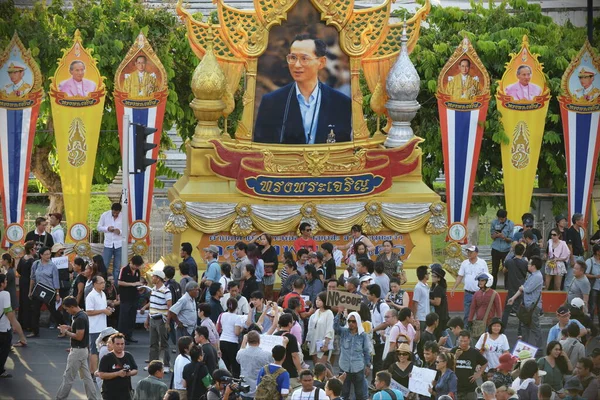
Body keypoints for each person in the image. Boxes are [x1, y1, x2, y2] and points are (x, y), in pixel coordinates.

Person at [254, 34, 352, 144]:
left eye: (304, 58)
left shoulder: (341, 103)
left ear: (321, 62)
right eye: (293, 58)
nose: (297, 65)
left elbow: (343, 150)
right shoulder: (271, 102)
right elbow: (261, 149)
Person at [55, 296, 99, 399]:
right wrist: (69, 328)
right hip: (83, 350)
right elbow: (79, 330)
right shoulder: (82, 315)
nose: (67, 311)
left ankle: (60, 398)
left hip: (77, 351)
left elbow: (79, 336)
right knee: (87, 377)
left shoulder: (79, 318)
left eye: (67, 309)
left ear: (72, 307)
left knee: (68, 377)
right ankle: (92, 398)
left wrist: (66, 332)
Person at [507, 256, 544, 351]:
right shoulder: (531, 275)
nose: (528, 265)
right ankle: (524, 347)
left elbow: (526, 289)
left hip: (533, 307)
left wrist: (522, 288)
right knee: (524, 327)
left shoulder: (537, 276)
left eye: (529, 264)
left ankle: (539, 348)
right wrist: (513, 298)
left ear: (534, 266)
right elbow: (522, 288)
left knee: (535, 327)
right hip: (526, 306)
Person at [28, 246, 64, 338]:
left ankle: (64, 329)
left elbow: (56, 281)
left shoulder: (53, 266)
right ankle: (34, 331)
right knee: (35, 311)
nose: (48, 256)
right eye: (46, 254)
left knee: (54, 311)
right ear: (41, 255)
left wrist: (57, 294)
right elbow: (32, 278)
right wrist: (30, 291)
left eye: (49, 254)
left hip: (49, 291)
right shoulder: (35, 264)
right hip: (37, 290)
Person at [334, 309, 371, 399]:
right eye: (349, 321)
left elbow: (366, 351)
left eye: (353, 321)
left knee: (359, 394)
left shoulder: (363, 335)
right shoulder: (344, 332)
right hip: (344, 367)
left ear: (357, 322)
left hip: (358, 368)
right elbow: (335, 327)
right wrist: (339, 313)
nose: (351, 323)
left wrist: (368, 365)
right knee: (344, 393)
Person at [451, 245, 489, 326]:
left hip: (480, 293)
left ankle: (478, 332)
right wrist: (454, 287)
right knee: (467, 315)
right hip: (468, 293)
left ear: (476, 253)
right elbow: (460, 276)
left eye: (471, 252)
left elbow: (487, 277)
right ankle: (466, 332)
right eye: (468, 251)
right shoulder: (464, 263)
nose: (469, 253)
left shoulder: (482, 263)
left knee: (480, 315)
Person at [144, 269, 172, 371]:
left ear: (158, 278)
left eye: (153, 276)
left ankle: (166, 365)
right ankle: (153, 365)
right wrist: (147, 319)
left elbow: (170, 307)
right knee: (153, 344)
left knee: (164, 343)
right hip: (152, 319)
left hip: (161, 320)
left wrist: (167, 322)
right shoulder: (153, 290)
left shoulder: (166, 291)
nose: (152, 278)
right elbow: (151, 306)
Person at [0, 273, 27, 378]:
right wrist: (21, 335)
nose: (6, 282)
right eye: (5, 280)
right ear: (2, 284)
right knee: (4, 351)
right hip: (3, 329)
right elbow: (10, 314)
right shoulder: (5, 294)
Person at [98, 332, 139, 400]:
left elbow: (135, 370)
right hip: (110, 394)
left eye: (122, 344)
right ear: (113, 344)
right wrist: (117, 373)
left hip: (126, 393)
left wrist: (129, 373)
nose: (120, 346)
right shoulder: (106, 358)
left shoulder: (128, 355)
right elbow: (101, 375)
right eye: (117, 344)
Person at [86, 275, 112, 377]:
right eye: (101, 283)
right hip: (94, 328)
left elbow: (103, 308)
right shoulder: (91, 296)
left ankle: (96, 371)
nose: (103, 284)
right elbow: (88, 312)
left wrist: (107, 310)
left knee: (100, 350)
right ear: (95, 284)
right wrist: (103, 311)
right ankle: (93, 372)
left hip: (103, 327)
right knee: (94, 351)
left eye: (104, 282)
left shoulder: (103, 294)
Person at [236, 331, 273, 399]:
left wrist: (244, 341)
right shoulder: (266, 354)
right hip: (260, 390)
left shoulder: (241, 353)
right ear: (259, 341)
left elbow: (239, 357)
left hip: (244, 389)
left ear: (248, 341)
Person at [452, 330, 488, 400]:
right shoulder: (454, 350)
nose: (462, 343)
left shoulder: (474, 352)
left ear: (469, 340)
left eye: (465, 341)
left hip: (470, 388)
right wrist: (455, 357)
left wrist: (479, 373)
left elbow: (485, 363)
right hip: (456, 387)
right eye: (461, 341)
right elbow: (448, 366)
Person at [273, 313, 303, 390]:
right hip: (290, 371)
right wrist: (300, 370)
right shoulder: (291, 337)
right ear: (289, 324)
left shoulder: (275, 335)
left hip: (276, 370)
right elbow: (295, 355)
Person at [502, 243, 527, 328]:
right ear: (523, 252)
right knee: (521, 312)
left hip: (511, 289)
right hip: (522, 289)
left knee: (506, 311)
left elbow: (504, 271)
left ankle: (503, 328)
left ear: (514, 251)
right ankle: (520, 331)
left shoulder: (509, 262)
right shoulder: (525, 262)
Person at [97, 203, 123, 283]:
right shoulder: (105, 215)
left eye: (117, 213)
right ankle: (103, 283)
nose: (115, 214)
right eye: (114, 212)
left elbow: (127, 229)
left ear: (119, 211)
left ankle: (115, 285)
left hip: (119, 244)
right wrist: (107, 228)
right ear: (112, 210)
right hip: (108, 244)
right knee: (104, 265)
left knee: (117, 267)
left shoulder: (123, 216)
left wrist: (120, 231)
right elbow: (98, 227)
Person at [218, 297, 244, 377]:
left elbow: (217, 328)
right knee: (234, 364)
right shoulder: (237, 318)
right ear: (236, 307)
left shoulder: (222, 315)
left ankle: (224, 380)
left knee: (225, 364)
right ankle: (235, 380)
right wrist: (242, 329)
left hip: (222, 340)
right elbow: (236, 333)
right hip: (232, 343)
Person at [490, 209, 514, 289]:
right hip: (495, 248)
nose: (500, 220)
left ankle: (507, 288)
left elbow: (511, 239)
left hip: (506, 250)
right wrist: (496, 235)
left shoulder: (511, 224)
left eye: (502, 219)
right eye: (499, 218)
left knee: (506, 269)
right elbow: (492, 236)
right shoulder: (494, 222)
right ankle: (493, 287)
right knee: (494, 270)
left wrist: (504, 237)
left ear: (505, 217)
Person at [16, 241, 35, 331]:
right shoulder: (33, 260)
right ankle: (28, 324)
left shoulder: (23, 258)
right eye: (34, 248)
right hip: (29, 282)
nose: (36, 250)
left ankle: (22, 323)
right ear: (31, 249)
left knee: (22, 302)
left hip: (22, 282)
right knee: (29, 303)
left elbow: (18, 270)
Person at [567, 213, 586, 289]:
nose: (583, 221)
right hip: (574, 256)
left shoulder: (579, 230)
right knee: (570, 277)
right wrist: (571, 259)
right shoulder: (570, 231)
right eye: (581, 220)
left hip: (580, 256)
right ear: (576, 221)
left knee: (579, 277)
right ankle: (567, 296)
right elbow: (570, 246)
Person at [430, 264, 449, 337]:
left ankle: (449, 347)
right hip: (442, 313)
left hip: (440, 314)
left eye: (434, 276)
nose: (432, 277)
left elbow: (437, 302)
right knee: (443, 332)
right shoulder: (436, 286)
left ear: (439, 278)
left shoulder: (438, 288)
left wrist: (428, 300)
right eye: (432, 275)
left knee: (440, 333)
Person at [585, 244, 600, 324]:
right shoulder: (589, 261)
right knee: (592, 307)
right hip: (593, 287)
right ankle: (590, 326)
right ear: (597, 252)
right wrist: (595, 276)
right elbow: (585, 274)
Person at [413, 265, 431, 331]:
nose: (429, 275)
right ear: (425, 275)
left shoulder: (426, 286)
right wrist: (414, 317)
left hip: (427, 316)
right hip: (420, 317)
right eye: (428, 273)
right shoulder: (418, 287)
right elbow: (415, 303)